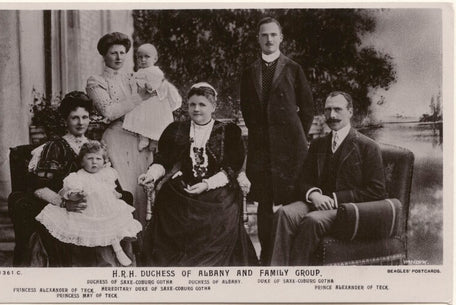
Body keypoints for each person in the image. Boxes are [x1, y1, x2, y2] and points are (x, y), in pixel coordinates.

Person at [138, 82, 258, 266]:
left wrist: (207, 184)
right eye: (192, 104)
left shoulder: (229, 132)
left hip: (217, 187)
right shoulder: (176, 129)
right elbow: (163, 160)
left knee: (219, 213)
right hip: (183, 186)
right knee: (170, 204)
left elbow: (232, 168)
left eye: (202, 104)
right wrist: (152, 175)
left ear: (213, 107)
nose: (196, 109)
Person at [270, 91, 387, 265]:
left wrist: (334, 199)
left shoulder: (367, 147)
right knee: (283, 213)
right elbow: (302, 180)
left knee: (313, 220)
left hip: (346, 210)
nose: (332, 115)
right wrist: (314, 195)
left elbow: (377, 190)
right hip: (315, 202)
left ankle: (296, 276)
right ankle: (278, 272)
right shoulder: (319, 144)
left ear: (350, 112)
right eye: (328, 110)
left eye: (338, 109)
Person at [27, 91, 135, 266]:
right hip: (67, 208)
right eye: (75, 118)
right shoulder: (55, 147)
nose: (80, 122)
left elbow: (107, 180)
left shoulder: (94, 147)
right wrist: (64, 203)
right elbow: (38, 187)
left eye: (85, 117)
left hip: (98, 208)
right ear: (65, 120)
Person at [239, 16, 314, 264]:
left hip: (292, 150)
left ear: (281, 38)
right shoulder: (249, 72)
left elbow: (308, 108)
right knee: (264, 204)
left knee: (294, 200)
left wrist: (295, 137)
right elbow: (248, 111)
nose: (269, 39)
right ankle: (266, 256)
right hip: (262, 150)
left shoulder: (293, 69)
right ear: (258, 39)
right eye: (264, 35)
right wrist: (264, 136)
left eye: (273, 34)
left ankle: (293, 255)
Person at [35, 140, 142, 266]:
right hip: (88, 211)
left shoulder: (106, 174)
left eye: (98, 159)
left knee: (113, 226)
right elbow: (67, 191)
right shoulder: (78, 176)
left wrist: (116, 195)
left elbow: (111, 189)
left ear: (104, 162)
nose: (94, 162)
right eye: (90, 158)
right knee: (91, 231)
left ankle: (118, 250)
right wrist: (75, 195)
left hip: (107, 209)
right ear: (82, 161)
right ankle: (91, 258)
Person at [86, 32, 154, 224]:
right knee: (125, 189)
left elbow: (152, 106)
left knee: (145, 190)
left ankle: (145, 244)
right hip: (117, 138)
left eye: (122, 53)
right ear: (104, 55)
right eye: (113, 53)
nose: (118, 57)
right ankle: (126, 243)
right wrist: (139, 97)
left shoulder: (134, 78)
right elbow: (109, 111)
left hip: (141, 140)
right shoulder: (96, 81)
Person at [123, 43, 182, 151]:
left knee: (155, 122)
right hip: (144, 101)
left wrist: (150, 86)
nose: (143, 60)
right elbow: (134, 83)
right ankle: (143, 138)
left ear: (155, 59)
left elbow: (158, 83)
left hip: (154, 101)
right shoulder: (139, 72)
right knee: (141, 120)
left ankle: (155, 141)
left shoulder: (155, 71)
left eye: (147, 57)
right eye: (140, 57)